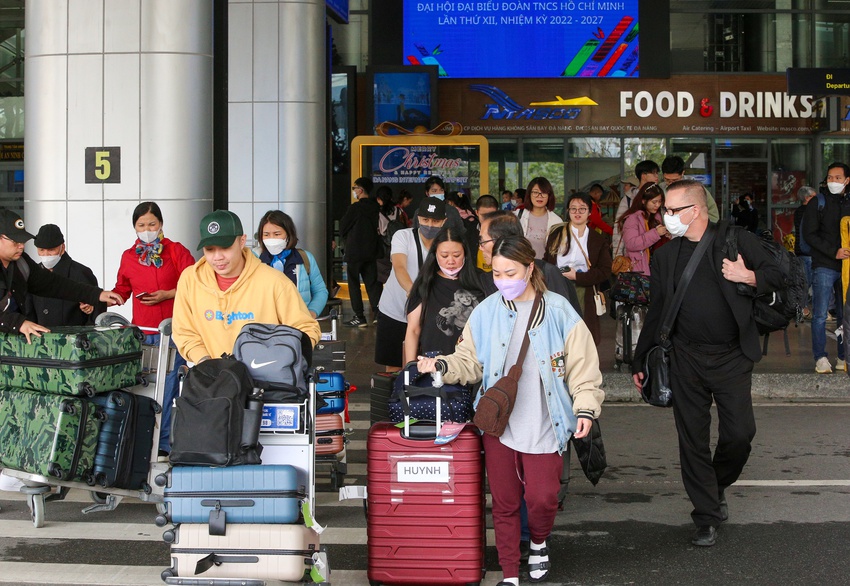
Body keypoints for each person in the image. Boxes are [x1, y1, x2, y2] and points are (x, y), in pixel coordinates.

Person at [417, 235, 604, 586]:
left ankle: (537, 542)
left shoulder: (560, 311)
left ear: (530, 268)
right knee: (503, 501)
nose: (504, 281)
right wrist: (441, 365)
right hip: (498, 422)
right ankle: (509, 572)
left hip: (545, 420)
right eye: (498, 273)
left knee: (542, 498)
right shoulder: (487, 311)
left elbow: (584, 368)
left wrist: (585, 408)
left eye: (511, 272)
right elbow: (469, 362)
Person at [631, 179, 784, 547]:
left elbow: (782, 274)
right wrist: (640, 358)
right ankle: (706, 515)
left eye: (671, 211)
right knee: (693, 441)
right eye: (664, 211)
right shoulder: (667, 257)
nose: (665, 217)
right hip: (684, 357)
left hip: (732, 356)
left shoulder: (735, 240)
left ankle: (715, 484)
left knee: (739, 434)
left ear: (694, 210)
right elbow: (658, 311)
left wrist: (749, 276)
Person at [172, 209, 320, 365]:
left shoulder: (275, 282)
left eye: (225, 248)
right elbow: (183, 331)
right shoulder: (190, 279)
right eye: (210, 249)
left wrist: (277, 362)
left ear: (242, 241)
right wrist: (205, 362)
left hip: (265, 384)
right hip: (211, 381)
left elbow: (306, 329)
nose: (217, 257)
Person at [112, 202, 195, 454]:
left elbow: (196, 284)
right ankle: (141, 443)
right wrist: (102, 298)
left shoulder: (176, 251)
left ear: (160, 224)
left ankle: (163, 446)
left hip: (172, 333)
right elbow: (122, 289)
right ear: (134, 227)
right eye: (141, 225)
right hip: (143, 335)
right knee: (143, 389)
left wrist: (167, 294)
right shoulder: (129, 256)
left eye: (152, 224)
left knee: (168, 390)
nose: (147, 229)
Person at [0, 208, 123, 342]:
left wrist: (96, 294)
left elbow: (53, 284)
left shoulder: (21, 263)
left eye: (23, 241)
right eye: (15, 241)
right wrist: (17, 323)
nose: (21, 246)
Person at [375, 197, 446, 371]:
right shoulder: (403, 236)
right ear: (418, 219)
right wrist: (414, 293)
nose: (430, 225)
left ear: (444, 221)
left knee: (429, 364)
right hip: (395, 311)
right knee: (394, 366)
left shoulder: (446, 243)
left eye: (436, 221)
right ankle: (395, 398)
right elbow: (399, 266)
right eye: (425, 220)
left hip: (430, 315)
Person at [402, 227, 485, 364]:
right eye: (444, 256)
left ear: (465, 254)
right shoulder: (425, 284)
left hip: (473, 365)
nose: (451, 261)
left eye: (457, 255)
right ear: (435, 255)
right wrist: (410, 369)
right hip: (433, 366)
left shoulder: (481, 280)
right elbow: (413, 330)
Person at [543, 192, 613, 346]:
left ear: (589, 212)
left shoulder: (597, 239)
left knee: (581, 331)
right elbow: (547, 261)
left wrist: (578, 277)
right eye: (573, 209)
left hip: (583, 290)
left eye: (582, 209)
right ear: (568, 211)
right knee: (557, 329)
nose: (577, 212)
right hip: (556, 286)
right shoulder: (557, 234)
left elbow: (605, 270)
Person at [479, 211, 581, 315]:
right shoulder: (487, 280)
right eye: (497, 274)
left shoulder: (547, 273)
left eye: (482, 242)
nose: (480, 248)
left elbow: (563, 320)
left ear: (502, 241)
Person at [803, 162, 850, 373]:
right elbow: (809, 235)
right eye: (830, 177)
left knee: (844, 314)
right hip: (824, 265)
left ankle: (843, 356)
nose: (833, 181)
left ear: (847, 181)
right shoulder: (818, 203)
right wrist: (834, 252)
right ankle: (820, 357)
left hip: (847, 267)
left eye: (838, 178)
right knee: (820, 314)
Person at [254, 209, 328, 317]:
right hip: (263, 325)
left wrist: (311, 313)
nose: (271, 239)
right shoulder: (253, 259)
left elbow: (320, 291)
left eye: (277, 234)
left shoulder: (304, 258)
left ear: (288, 234)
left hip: (296, 325)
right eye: (266, 235)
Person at [30, 223, 104, 326]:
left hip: (72, 339)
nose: (46, 255)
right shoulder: (33, 272)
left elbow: (97, 310)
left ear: (62, 248)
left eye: (51, 250)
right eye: (41, 250)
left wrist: (91, 308)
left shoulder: (81, 272)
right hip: (40, 339)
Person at [339, 177, 383, 327]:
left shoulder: (355, 208)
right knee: (372, 283)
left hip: (355, 251)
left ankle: (359, 317)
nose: (354, 191)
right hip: (371, 251)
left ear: (361, 190)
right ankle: (377, 314)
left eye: (355, 188)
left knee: (353, 283)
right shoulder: (375, 207)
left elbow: (343, 226)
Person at [617, 183, 668, 276]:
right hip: (638, 268)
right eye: (654, 202)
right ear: (643, 201)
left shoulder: (657, 217)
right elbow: (631, 244)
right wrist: (656, 234)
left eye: (660, 201)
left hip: (655, 266)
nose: (657, 205)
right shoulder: (633, 219)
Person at [613, 160, 659, 252]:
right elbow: (618, 226)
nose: (657, 176)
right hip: (634, 253)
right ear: (643, 176)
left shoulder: (659, 195)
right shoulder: (629, 198)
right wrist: (617, 253)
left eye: (657, 173)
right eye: (654, 173)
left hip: (656, 249)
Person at [515, 177, 563, 259]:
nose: (539, 196)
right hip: (521, 267)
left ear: (549, 196)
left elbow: (559, 250)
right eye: (535, 192)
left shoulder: (557, 221)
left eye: (543, 193)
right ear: (529, 194)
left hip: (545, 268)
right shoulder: (517, 216)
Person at [660, 156, 719, 222]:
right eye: (667, 180)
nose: (671, 184)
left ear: (682, 173)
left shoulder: (696, 188)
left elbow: (713, 215)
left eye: (674, 180)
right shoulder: (660, 189)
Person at [793, 185, 816, 319]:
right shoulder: (809, 212)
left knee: (804, 281)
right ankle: (802, 308)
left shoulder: (799, 211)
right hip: (807, 252)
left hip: (801, 251)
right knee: (806, 282)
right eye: (814, 196)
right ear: (807, 198)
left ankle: (802, 307)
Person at [475, 195, 500, 271]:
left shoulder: (505, 232)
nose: (487, 219)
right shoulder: (468, 232)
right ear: (477, 212)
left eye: (491, 215)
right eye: (484, 216)